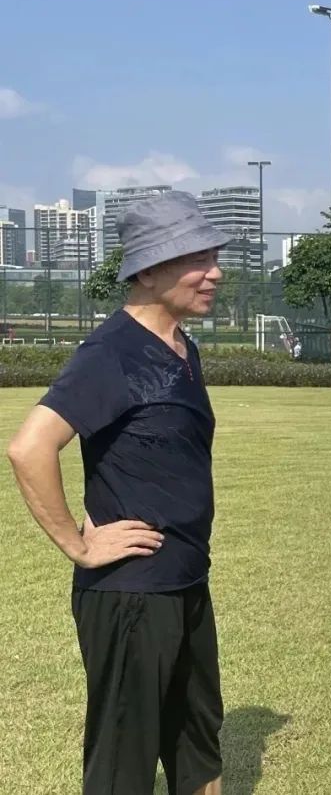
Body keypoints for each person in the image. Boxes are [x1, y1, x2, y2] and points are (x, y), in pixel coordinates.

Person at [7, 191, 230, 795]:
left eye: (213, 256)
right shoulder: (112, 353)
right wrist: (78, 546)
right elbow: (29, 448)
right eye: (196, 258)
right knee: (122, 767)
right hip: (132, 594)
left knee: (198, 745)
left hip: (186, 579)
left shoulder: (183, 347)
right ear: (148, 270)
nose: (214, 272)